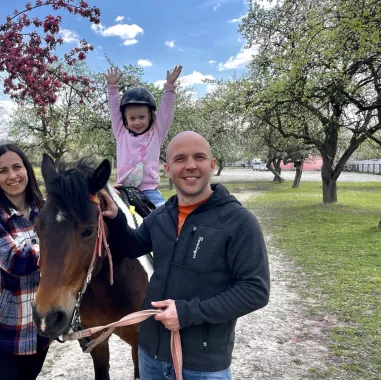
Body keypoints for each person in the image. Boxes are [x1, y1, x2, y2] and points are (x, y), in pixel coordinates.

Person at [100, 131, 270, 380]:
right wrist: (116, 218)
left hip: (203, 366)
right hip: (150, 355)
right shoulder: (160, 216)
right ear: (167, 169)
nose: (190, 165)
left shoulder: (239, 222)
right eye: (180, 159)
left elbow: (255, 290)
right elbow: (133, 246)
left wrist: (188, 313)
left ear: (212, 165)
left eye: (199, 157)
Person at [0, 144, 49, 379]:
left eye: (17, 167)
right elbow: (17, 262)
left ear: (27, 169)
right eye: (3, 171)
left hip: (41, 328)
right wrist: (59, 246)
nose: (12, 176)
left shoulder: (46, 210)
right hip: (7, 331)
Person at [104, 65, 183, 207]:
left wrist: (170, 87)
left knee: (163, 213)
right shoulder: (121, 133)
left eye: (142, 117)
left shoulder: (157, 133)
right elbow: (114, 110)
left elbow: (165, 111)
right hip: (123, 188)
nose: (137, 122)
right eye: (132, 118)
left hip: (149, 190)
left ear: (150, 117)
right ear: (125, 120)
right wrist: (113, 87)